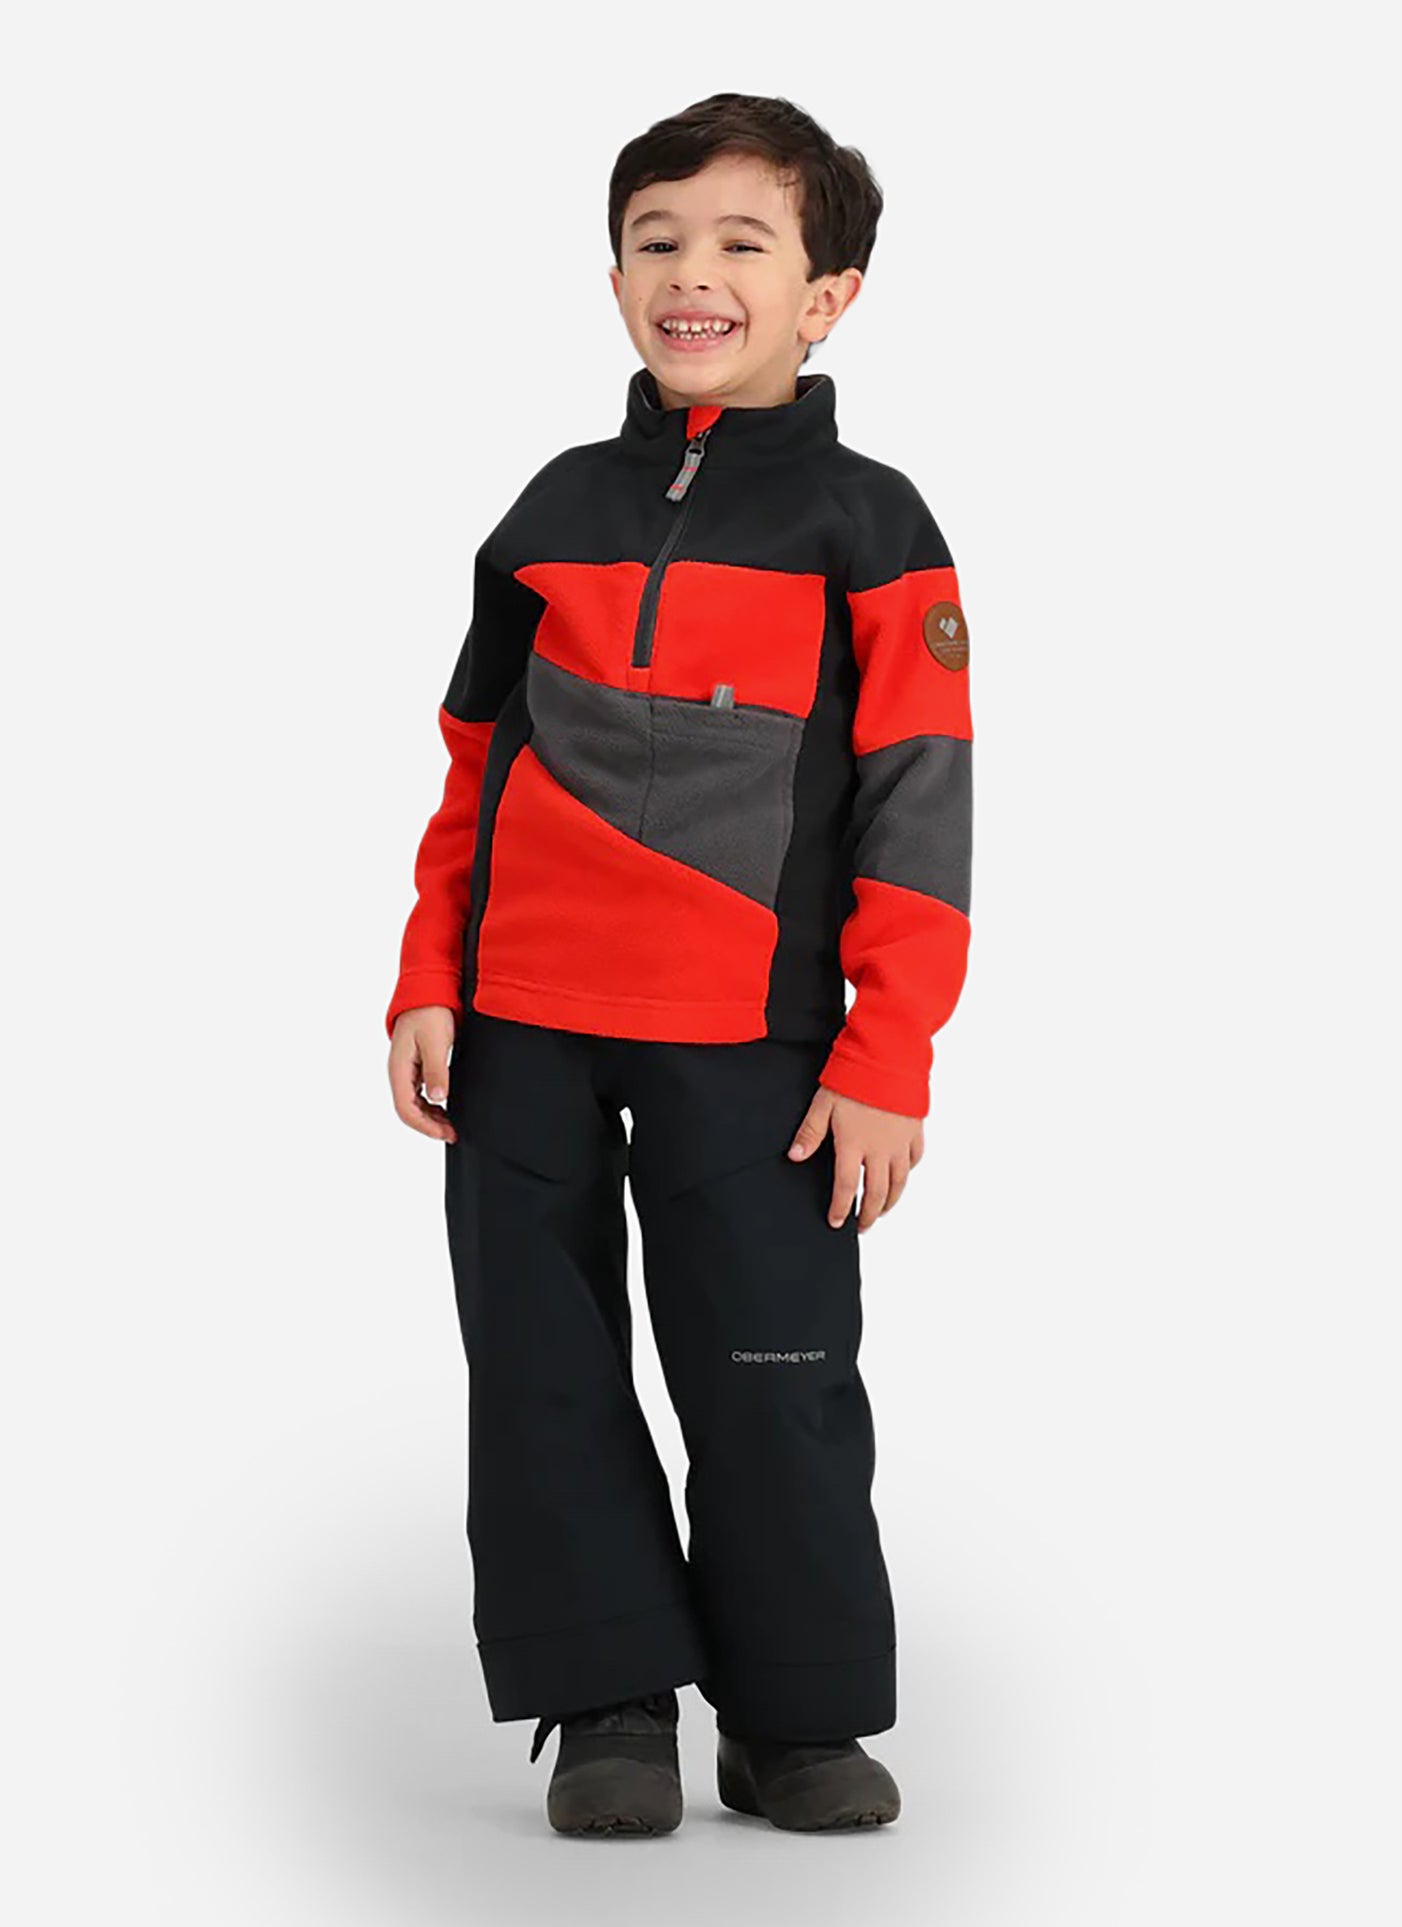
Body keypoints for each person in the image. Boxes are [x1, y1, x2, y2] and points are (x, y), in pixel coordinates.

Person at [385, 91, 973, 1837]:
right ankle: (608, 1700)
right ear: (614, 277)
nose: (690, 275)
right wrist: (427, 975)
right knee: (540, 1369)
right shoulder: (552, 507)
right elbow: (473, 765)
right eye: (656, 241)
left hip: (753, 1039)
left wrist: (886, 1055)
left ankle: (793, 1718)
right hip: (520, 1028)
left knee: (773, 1369)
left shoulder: (870, 525)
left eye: (740, 243)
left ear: (826, 295)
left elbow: (919, 804)